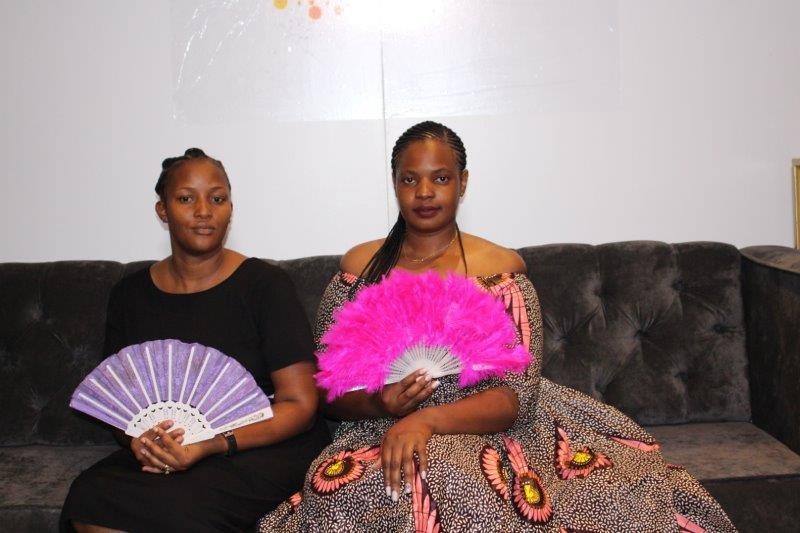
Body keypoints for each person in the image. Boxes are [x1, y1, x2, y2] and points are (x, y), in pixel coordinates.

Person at [258, 122, 736, 532]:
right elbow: (330, 392)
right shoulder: (360, 270)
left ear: (463, 183)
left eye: (440, 178)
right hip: (378, 427)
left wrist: (425, 420)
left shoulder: (499, 271)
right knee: (352, 486)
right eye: (410, 179)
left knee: (444, 474)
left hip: (483, 426)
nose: (425, 192)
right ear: (395, 184)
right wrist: (381, 403)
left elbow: (513, 398)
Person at [61, 148, 330, 532]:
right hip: (174, 447)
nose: (204, 211)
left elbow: (301, 405)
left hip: (260, 446)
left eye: (217, 199)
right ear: (163, 210)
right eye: (186, 199)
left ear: (230, 209)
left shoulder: (265, 286)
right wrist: (140, 440)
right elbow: (119, 403)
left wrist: (211, 444)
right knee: (89, 497)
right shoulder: (129, 296)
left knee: (179, 505)